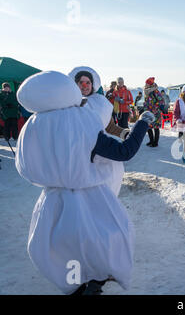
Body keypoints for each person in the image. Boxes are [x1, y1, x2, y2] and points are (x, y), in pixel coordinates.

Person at [15, 71, 155, 295]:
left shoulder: (32, 124)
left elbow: (24, 166)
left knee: (62, 247)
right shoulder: (79, 120)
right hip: (88, 198)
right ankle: (95, 283)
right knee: (105, 239)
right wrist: (142, 124)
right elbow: (123, 151)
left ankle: (75, 285)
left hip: (52, 201)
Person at [69, 67, 130, 142]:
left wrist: (126, 134)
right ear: (75, 84)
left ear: (92, 84)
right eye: (81, 82)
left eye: (88, 82)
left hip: (95, 145)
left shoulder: (100, 102)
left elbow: (110, 127)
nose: (84, 85)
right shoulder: (68, 101)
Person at [143, 77, 164, 147]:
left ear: (150, 84)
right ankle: (151, 141)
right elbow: (146, 102)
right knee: (148, 127)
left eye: (147, 83)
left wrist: (156, 107)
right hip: (148, 112)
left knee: (156, 127)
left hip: (155, 112)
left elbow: (161, 101)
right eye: (145, 83)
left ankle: (155, 142)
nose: (145, 85)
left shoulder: (155, 91)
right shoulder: (146, 91)